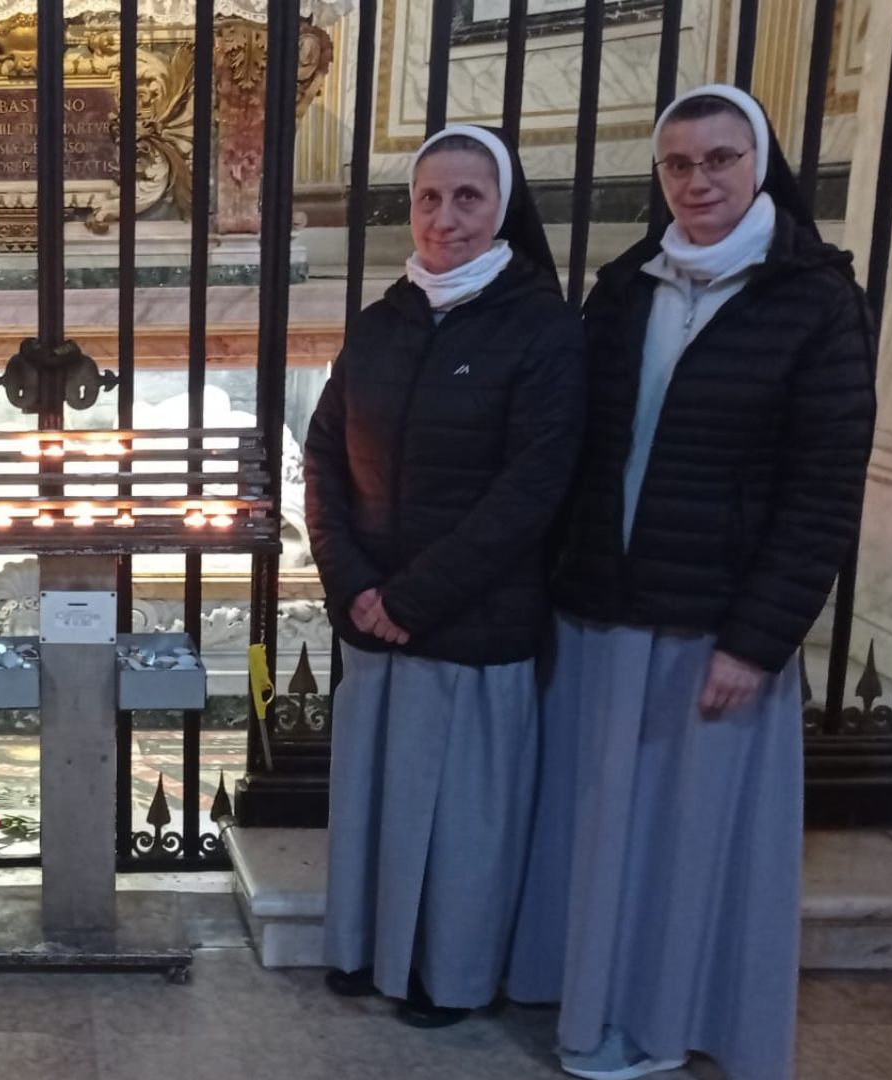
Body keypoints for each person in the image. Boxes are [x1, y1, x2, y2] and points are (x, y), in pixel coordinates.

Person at [516, 85, 877, 1080]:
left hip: (713, 629)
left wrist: (757, 641)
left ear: (759, 165)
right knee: (603, 834)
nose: (698, 180)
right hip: (604, 610)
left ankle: (665, 1025)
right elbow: (581, 450)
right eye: (678, 164)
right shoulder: (628, 284)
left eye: (720, 159)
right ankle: (590, 1007)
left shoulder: (814, 300)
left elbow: (822, 490)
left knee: (686, 846)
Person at [305, 124, 585, 1028]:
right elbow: (323, 456)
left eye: (468, 197)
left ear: (503, 206)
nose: (445, 218)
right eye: (429, 197)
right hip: (373, 618)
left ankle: (447, 975)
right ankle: (362, 951)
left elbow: (533, 487)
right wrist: (350, 582)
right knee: (376, 806)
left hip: (470, 624)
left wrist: (413, 597)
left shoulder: (542, 328)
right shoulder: (382, 321)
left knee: (462, 822)